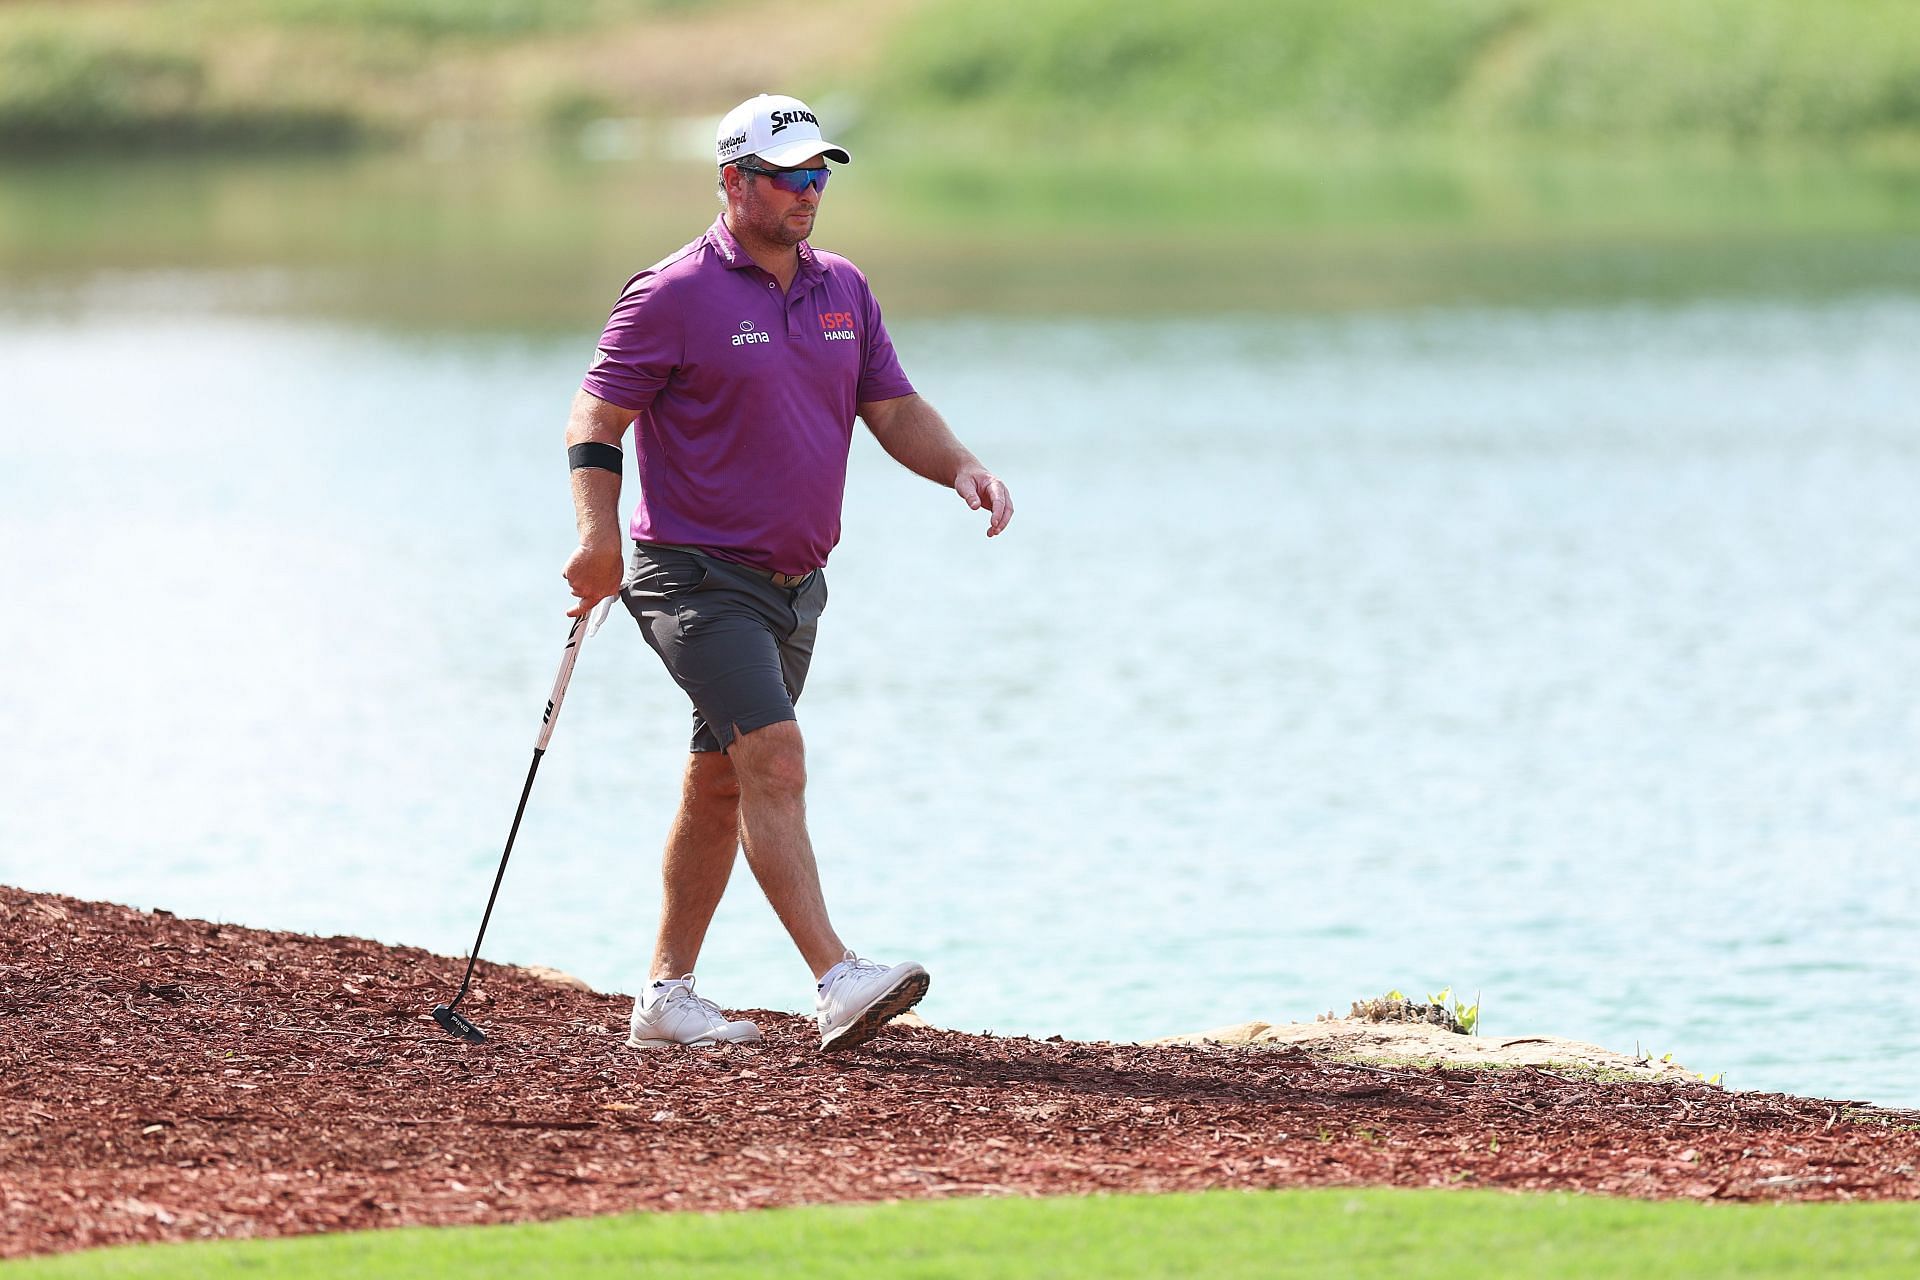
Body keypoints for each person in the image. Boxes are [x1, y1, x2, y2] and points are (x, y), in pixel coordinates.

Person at [559, 94, 1013, 1053]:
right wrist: (597, 542)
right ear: (733, 181)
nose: (811, 193)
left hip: (794, 584)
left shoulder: (841, 286)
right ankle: (838, 978)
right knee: (776, 758)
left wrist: (963, 466)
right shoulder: (672, 293)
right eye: (790, 176)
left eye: (821, 176)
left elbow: (890, 408)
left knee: (725, 778)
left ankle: (664, 998)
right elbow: (595, 420)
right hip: (690, 573)